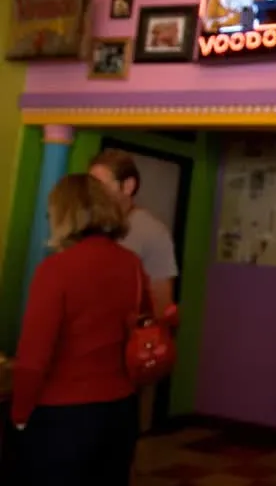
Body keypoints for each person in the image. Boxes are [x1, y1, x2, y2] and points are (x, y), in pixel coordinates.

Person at [12, 173, 150, 486]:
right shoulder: (132, 265)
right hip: (121, 410)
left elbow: (34, 357)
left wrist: (20, 415)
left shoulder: (55, 269)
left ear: (63, 215)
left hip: (64, 416)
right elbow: (142, 325)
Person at [89, 149, 177, 318]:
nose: (93, 195)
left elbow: (161, 305)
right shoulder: (87, 224)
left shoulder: (154, 233)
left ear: (128, 186)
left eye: (101, 186)